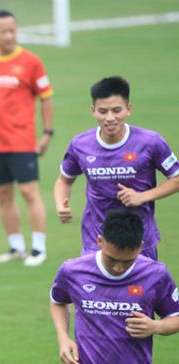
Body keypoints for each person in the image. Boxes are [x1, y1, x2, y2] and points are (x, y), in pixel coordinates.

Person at [50, 209, 179, 364]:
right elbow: (58, 301)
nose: (119, 267)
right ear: (99, 242)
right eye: (112, 260)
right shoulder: (73, 271)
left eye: (127, 262)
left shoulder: (156, 274)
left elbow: (175, 317)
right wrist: (63, 338)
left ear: (141, 248)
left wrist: (155, 326)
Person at [54, 76, 179, 260]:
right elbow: (64, 179)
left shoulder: (150, 142)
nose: (110, 118)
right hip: (95, 243)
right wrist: (61, 203)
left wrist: (142, 196)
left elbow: (176, 178)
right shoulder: (80, 144)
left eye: (116, 110)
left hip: (140, 242)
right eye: (103, 111)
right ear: (93, 111)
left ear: (128, 109)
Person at [0, 9, 53, 267]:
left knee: (28, 191)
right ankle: (16, 247)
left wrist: (47, 133)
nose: (9, 35)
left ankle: (38, 248)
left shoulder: (31, 61)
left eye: (13, 30)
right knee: (3, 194)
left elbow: (46, 98)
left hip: (21, 140)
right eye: (3, 31)